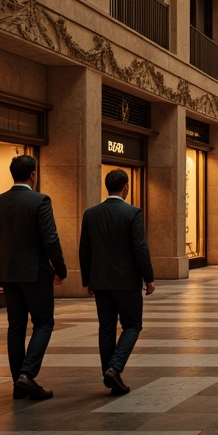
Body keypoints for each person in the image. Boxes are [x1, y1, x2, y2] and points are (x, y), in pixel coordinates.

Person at [0, 155, 67, 400]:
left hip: (8, 273)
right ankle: (27, 374)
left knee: (16, 327)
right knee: (44, 322)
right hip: (35, 273)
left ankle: (18, 385)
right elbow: (50, 238)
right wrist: (60, 269)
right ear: (33, 174)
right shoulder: (39, 200)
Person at [79, 169, 155, 396]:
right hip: (126, 281)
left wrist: (88, 279)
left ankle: (110, 375)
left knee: (106, 328)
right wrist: (148, 277)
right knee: (132, 325)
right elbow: (140, 248)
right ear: (126, 187)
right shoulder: (132, 213)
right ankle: (115, 367)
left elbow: (84, 249)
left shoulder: (90, 214)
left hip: (100, 280)